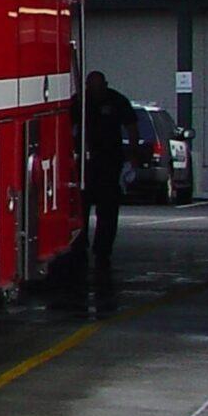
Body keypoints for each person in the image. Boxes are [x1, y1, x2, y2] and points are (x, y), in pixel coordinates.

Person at [83, 69, 136, 272]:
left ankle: (103, 249)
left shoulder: (117, 101)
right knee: (81, 207)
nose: (95, 90)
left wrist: (132, 155)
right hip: (86, 163)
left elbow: (131, 126)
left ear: (105, 84)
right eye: (92, 86)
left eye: (98, 86)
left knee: (108, 210)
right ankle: (79, 246)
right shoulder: (80, 102)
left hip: (109, 162)